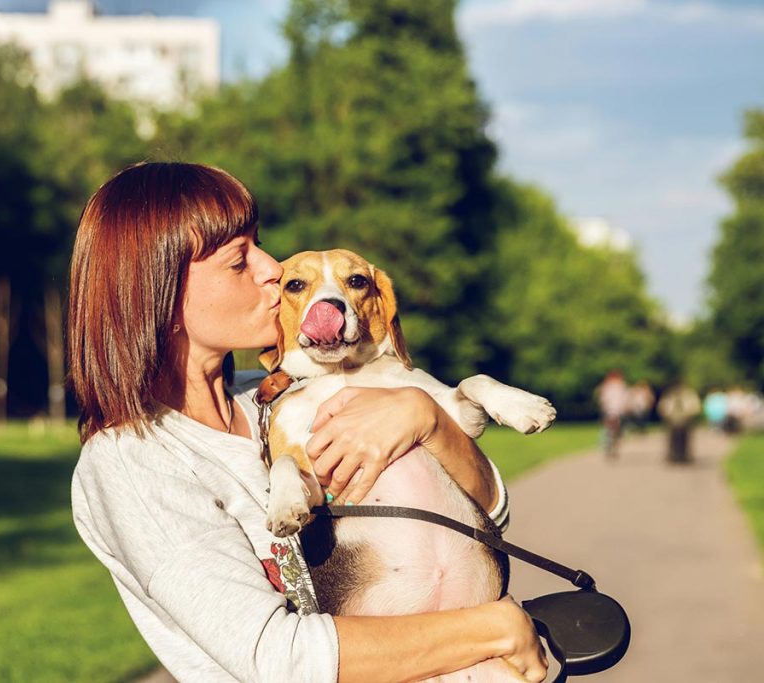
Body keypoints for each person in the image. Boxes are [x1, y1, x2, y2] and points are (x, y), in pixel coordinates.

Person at [66, 162, 546, 683]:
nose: (272, 267)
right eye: (238, 260)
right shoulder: (133, 461)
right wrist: (492, 629)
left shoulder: (277, 398)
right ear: (160, 293)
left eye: (260, 244)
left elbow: (488, 519)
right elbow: (278, 660)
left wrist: (426, 418)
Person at [657, 381, 700, 464]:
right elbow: (663, 406)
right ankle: (673, 455)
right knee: (673, 439)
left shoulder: (688, 394)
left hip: (685, 420)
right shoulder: (670, 395)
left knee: (685, 439)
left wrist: (689, 414)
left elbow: (694, 406)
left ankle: (684, 456)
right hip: (673, 420)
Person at [595, 370, 628, 459]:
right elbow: (625, 399)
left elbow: (602, 399)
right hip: (616, 411)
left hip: (610, 410)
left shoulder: (607, 386)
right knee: (615, 431)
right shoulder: (620, 386)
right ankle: (612, 446)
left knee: (609, 429)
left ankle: (608, 445)